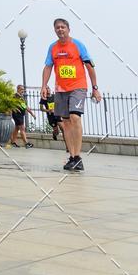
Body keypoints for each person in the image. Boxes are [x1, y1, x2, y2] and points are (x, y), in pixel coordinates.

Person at [41, 18, 102, 171]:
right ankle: (73, 157)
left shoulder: (78, 45)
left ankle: (78, 156)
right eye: (57, 28)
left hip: (78, 87)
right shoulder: (53, 48)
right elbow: (48, 67)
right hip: (61, 89)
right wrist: (44, 85)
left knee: (75, 117)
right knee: (66, 122)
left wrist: (95, 88)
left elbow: (89, 66)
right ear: (54, 30)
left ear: (68, 29)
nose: (60, 29)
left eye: (62, 27)